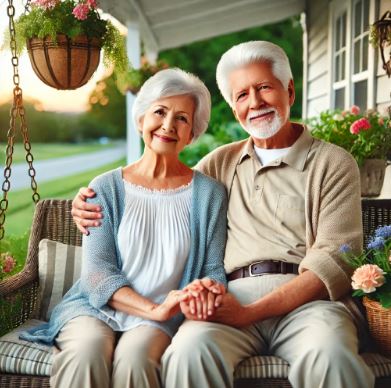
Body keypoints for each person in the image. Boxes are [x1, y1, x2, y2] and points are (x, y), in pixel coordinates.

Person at [71, 41, 375, 388]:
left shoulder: (332, 164)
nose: (255, 102)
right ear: (234, 109)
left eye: (263, 88)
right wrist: (84, 202)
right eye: (242, 95)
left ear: (289, 90)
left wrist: (249, 312)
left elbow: (336, 259)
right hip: (231, 299)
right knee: (188, 352)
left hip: (309, 305)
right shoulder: (218, 164)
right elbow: (163, 186)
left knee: (330, 355)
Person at [20, 68, 228, 388]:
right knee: (86, 351)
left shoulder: (209, 194)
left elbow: (213, 270)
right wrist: (153, 309)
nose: (168, 125)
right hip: (95, 307)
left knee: (136, 359)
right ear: (142, 118)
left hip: (163, 317)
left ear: (193, 132)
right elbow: (96, 275)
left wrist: (202, 293)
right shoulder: (105, 188)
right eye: (160, 112)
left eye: (182, 118)